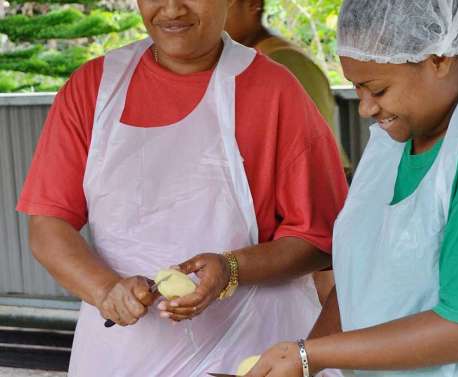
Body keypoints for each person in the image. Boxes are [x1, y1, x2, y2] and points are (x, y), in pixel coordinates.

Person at [16, 0, 348, 375]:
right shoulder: (93, 90)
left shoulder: (275, 90)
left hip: (252, 351)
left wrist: (232, 268)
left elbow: (322, 241)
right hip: (124, 357)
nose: (172, 9)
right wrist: (105, 290)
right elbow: (47, 225)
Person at [245, 1, 458, 376]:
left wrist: (310, 356)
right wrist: (309, 363)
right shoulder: (398, 132)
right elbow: (358, 277)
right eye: (356, 87)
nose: (365, 108)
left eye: (377, 90)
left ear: (439, 58)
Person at [225, 0, 349, 306]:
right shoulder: (235, 65)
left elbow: (314, 167)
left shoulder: (283, 66)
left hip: (302, 238)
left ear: (252, 5)